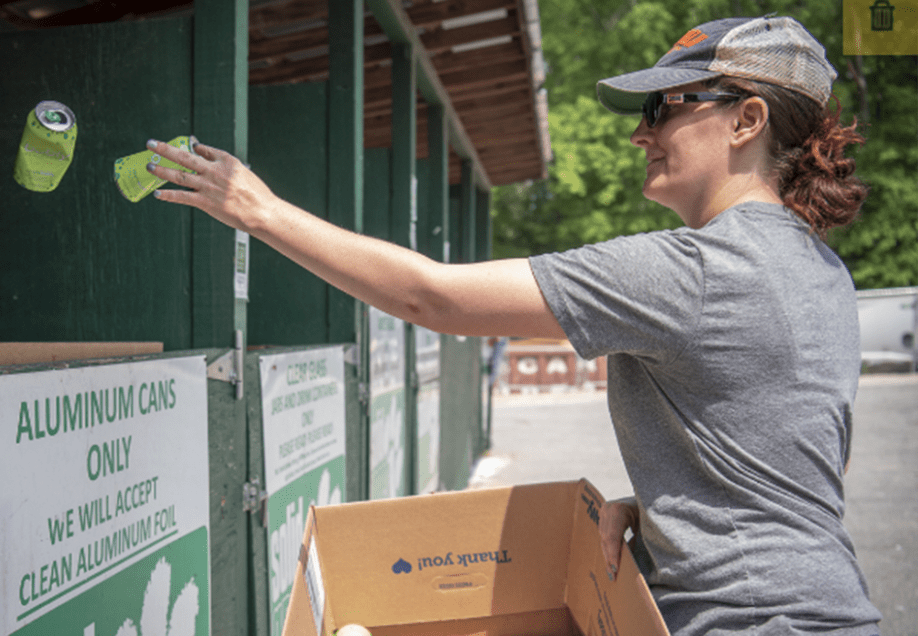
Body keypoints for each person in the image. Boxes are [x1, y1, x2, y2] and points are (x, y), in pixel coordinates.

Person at [146, 14, 880, 635]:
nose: (640, 134)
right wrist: (672, 512)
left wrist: (258, 210)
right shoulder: (823, 274)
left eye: (664, 107)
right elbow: (806, 462)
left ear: (746, 120)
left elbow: (432, 299)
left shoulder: (694, 269)